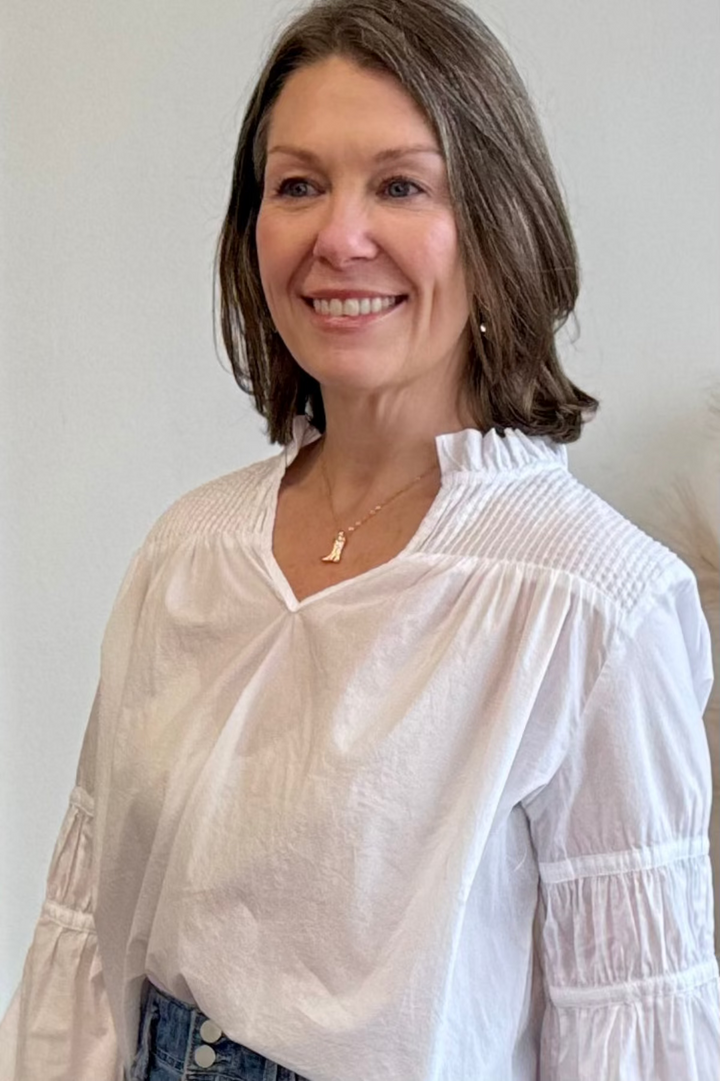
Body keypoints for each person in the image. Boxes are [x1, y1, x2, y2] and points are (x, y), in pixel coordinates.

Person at [1, 0, 718, 1077]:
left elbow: (637, 1031)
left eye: (399, 184)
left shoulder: (594, 604)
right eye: (297, 185)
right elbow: (86, 946)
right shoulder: (189, 555)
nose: (340, 235)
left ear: (495, 222)